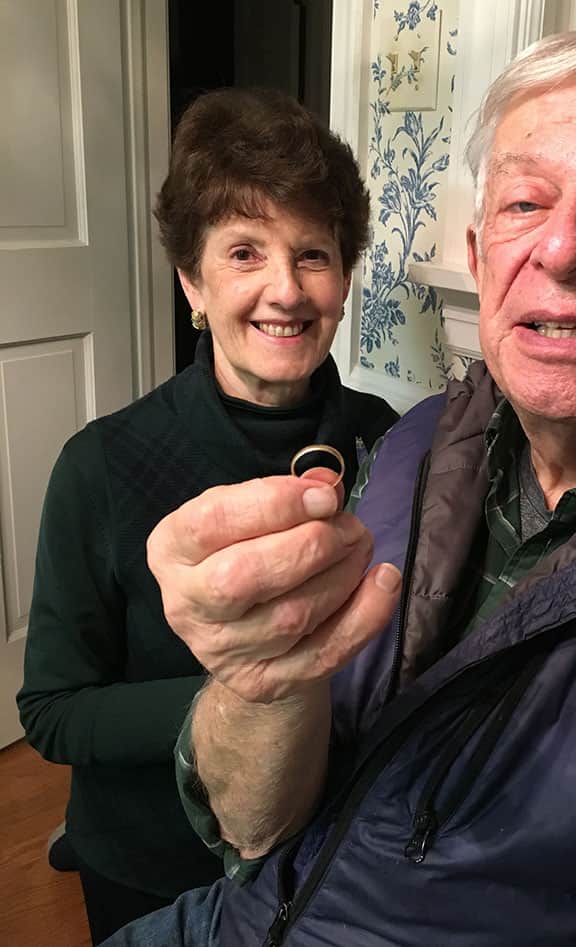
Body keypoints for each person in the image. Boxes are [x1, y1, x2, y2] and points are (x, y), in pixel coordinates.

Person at [108, 17, 576, 947]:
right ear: (479, 259)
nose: (562, 248)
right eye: (523, 203)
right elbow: (254, 831)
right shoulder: (413, 443)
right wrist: (257, 683)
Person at [16, 87, 398, 946]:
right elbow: (53, 709)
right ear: (192, 280)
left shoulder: (393, 444)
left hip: (330, 849)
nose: (285, 290)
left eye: (314, 254)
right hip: (153, 864)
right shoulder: (100, 466)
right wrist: (248, 704)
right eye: (244, 252)